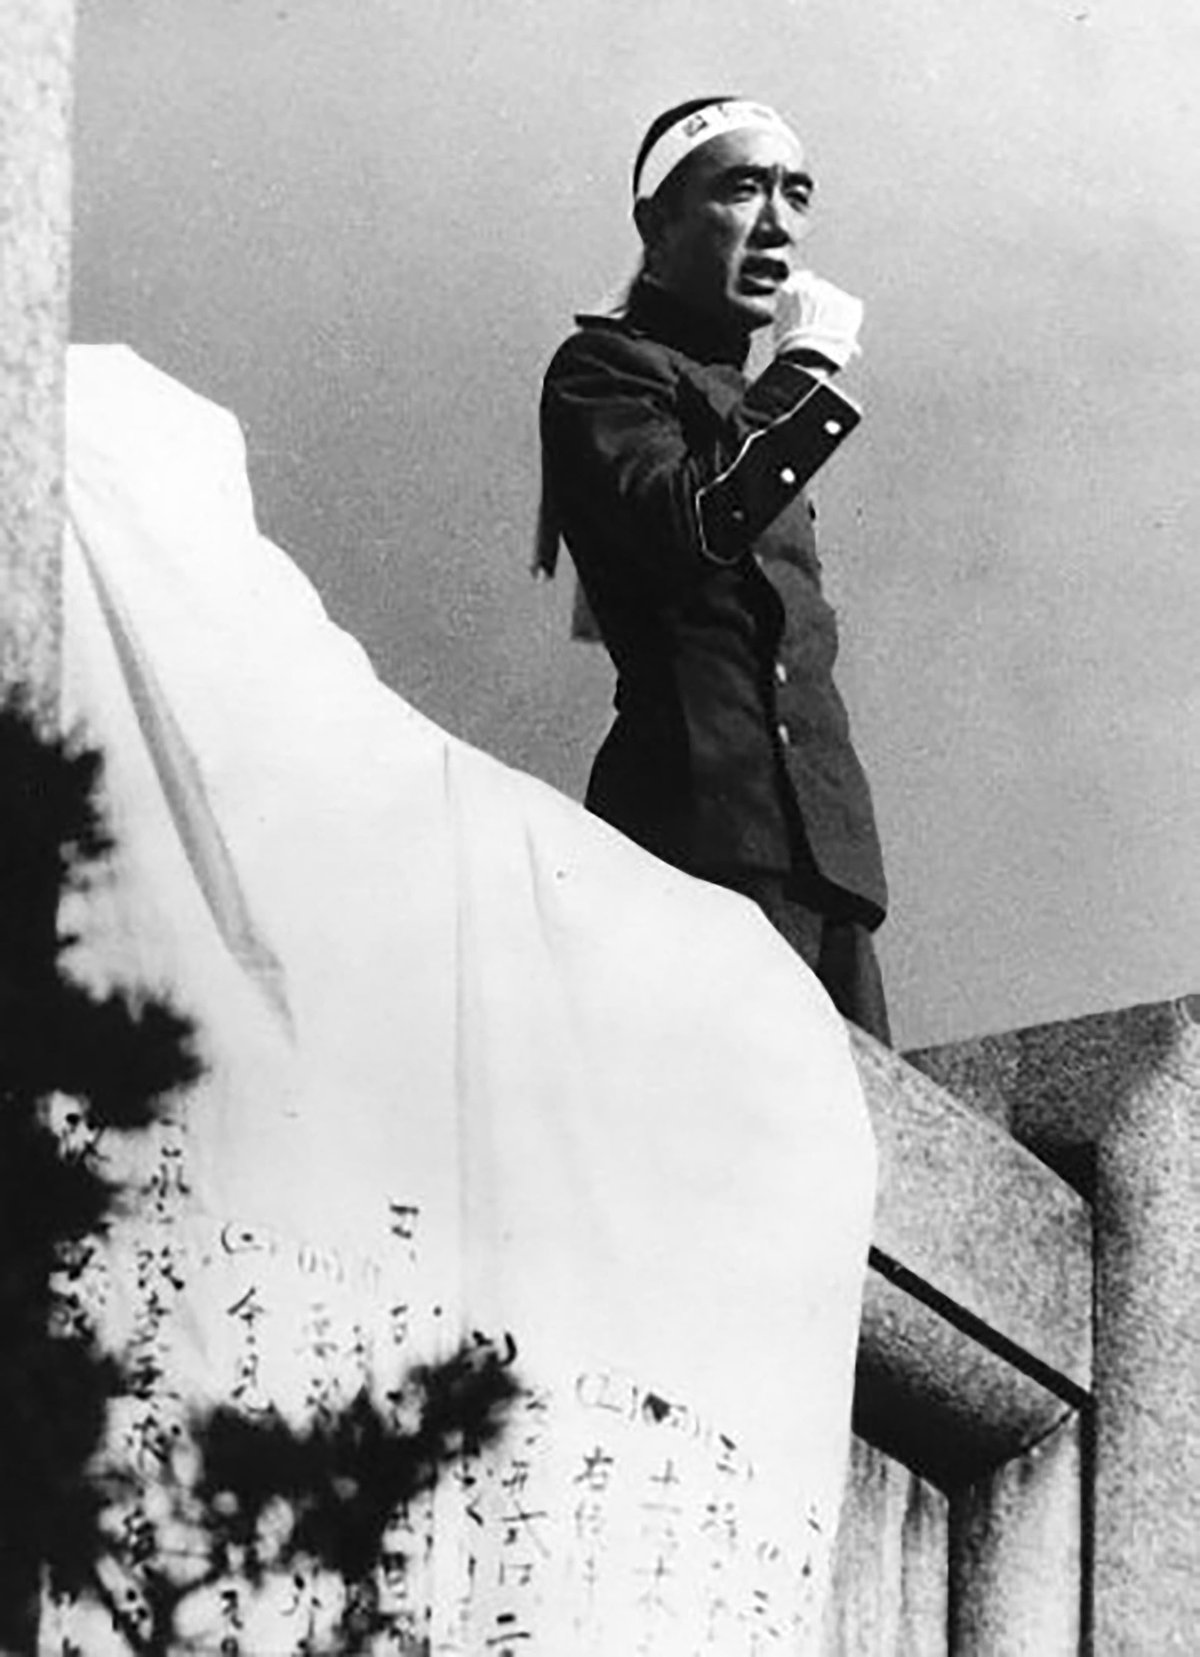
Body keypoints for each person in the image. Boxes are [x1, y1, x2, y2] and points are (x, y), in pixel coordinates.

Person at [537, 95, 891, 1043]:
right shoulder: (604, 370)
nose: (780, 223)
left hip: (824, 857)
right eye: (743, 188)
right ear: (657, 225)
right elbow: (688, 524)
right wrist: (803, 371)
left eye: (797, 194)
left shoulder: (746, 398)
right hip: (694, 832)